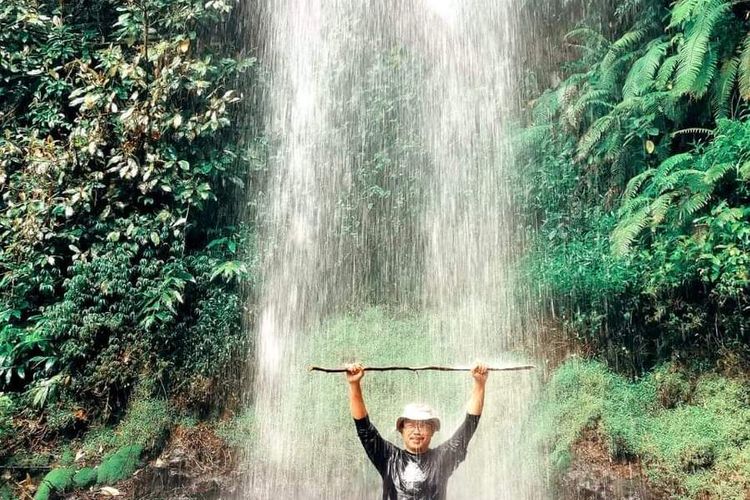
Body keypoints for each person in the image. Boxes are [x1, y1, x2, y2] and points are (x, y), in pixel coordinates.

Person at [345, 362, 488, 500]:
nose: (417, 431)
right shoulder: (388, 458)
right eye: (411, 425)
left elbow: (469, 425)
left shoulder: (442, 459)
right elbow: (364, 428)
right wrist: (354, 384)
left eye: (424, 425)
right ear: (401, 429)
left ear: (433, 430)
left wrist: (480, 384)